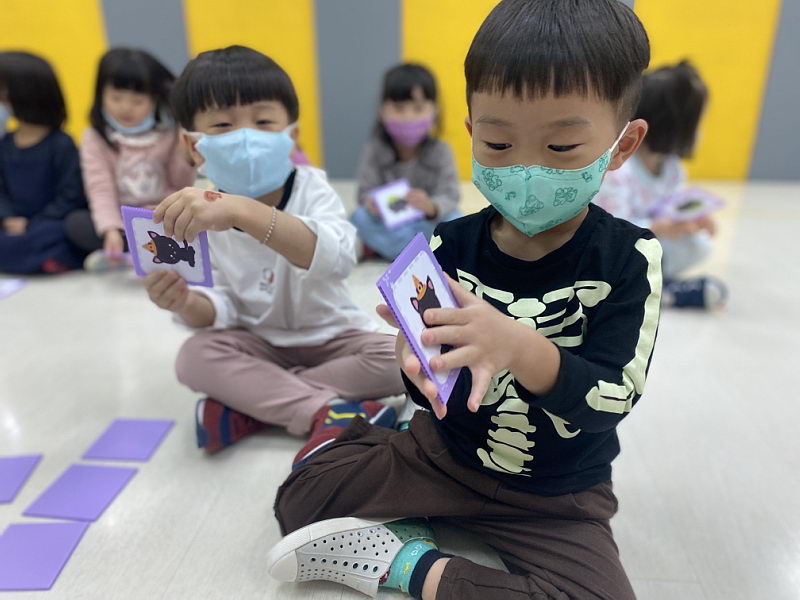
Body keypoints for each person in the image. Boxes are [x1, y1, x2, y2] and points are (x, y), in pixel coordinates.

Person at [267, 1, 662, 598]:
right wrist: (411, 362)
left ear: (622, 144)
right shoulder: (447, 243)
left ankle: (406, 563)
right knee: (300, 496)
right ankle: (372, 432)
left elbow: (611, 399)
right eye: (499, 143)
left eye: (561, 148)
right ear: (473, 132)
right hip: (444, 456)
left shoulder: (629, 257)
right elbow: (431, 375)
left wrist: (518, 347)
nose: (525, 169)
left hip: (556, 494)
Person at [144, 46, 404, 452]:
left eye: (264, 122)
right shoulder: (193, 211)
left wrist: (241, 211)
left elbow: (337, 259)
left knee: (404, 359)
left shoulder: (312, 187)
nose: (246, 137)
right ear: (192, 145)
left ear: (291, 136)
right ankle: (325, 409)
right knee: (194, 357)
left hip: (333, 337)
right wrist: (185, 302)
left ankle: (252, 405)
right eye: (223, 125)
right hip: (258, 343)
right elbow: (220, 307)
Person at [594, 60, 726, 309]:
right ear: (673, 125)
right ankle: (658, 293)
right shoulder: (618, 171)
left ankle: (652, 286)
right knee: (617, 257)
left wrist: (691, 219)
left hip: (646, 242)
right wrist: (658, 228)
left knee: (699, 245)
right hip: (615, 248)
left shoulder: (672, 168)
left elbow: (671, 208)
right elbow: (612, 231)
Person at [64, 48, 195, 271]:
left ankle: (132, 253)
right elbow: (100, 188)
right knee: (76, 223)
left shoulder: (169, 130)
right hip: (123, 221)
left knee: (192, 217)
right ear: (100, 95)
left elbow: (181, 184)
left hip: (163, 214)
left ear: (155, 100)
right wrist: (110, 230)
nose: (126, 107)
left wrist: (184, 151)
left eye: (138, 101)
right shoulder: (95, 136)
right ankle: (130, 250)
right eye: (116, 98)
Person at [351, 63, 460, 260]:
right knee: (358, 217)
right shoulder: (375, 149)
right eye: (399, 108)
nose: (409, 117)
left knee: (456, 219)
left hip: (426, 223)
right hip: (390, 224)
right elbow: (364, 193)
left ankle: (397, 250)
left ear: (434, 111)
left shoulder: (441, 150)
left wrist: (431, 206)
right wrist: (372, 204)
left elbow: (450, 195)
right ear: (382, 111)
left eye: (418, 108)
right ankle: (421, 251)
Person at [0, 51, 86, 274]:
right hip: (12, 225)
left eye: (4, 96)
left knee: (65, 231)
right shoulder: (5, 144)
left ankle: (48, 258)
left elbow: (70, 196)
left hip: (48, 223)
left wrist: (32, 223)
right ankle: (39, 260)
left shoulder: (61, 144)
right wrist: (8, 217)